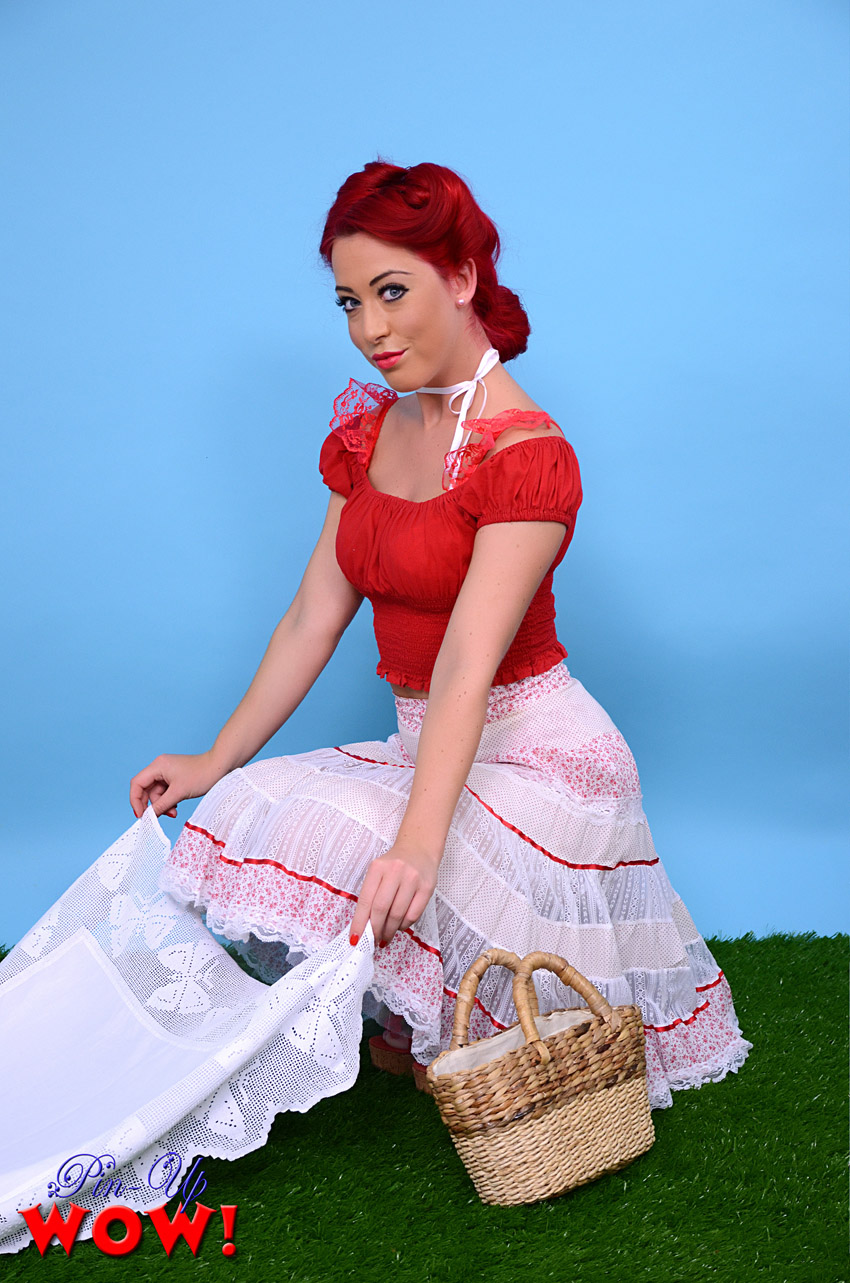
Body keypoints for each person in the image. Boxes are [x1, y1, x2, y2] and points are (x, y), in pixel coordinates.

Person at [0, 160, 752, 1255]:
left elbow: (467, 667)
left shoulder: (526, 454)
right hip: (425, 739)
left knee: (392, 857)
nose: (368, 328)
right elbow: (313, 617)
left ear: (462, 275)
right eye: (350, 301)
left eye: (391, 291)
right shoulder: (370, 435)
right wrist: (215, 757)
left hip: (540, 751)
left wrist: (417, 840)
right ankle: (401, 1015)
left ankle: (431, 1011)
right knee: (254, 804)